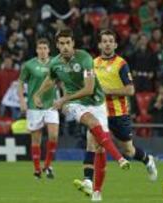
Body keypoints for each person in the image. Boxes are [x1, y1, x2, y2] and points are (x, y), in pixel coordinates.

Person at [33, 29, 130, 202]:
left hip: (96, 102)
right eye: (61, 43)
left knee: (98, 147)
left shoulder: (84, 58)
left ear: (73, 43)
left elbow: (89, 89)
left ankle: (97, 192)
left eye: (67, 43)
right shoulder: (55, 63)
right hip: (76, 104)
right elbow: (51, 79)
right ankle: (119, 158)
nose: (64, 47)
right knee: (91, 123)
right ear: (57, 45)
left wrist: (63, 98)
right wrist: (38, 94)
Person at [73, 29, 158, 197]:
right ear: (99, 44)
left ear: (115, 44)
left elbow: (130, 90)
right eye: (104, 41)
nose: (107, 44)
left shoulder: (121, 64)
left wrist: (107, 91)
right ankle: (91, 186)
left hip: (118, 113)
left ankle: (147, 159)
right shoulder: (91, 63)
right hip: (98, 111)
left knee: (128, 150)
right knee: (93, 145)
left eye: (110, 41)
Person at [18, 38, 59, 179]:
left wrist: (65, 99)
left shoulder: (55, 63)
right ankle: (37, 169)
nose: (42, 51)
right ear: (36, 50)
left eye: (45, 48)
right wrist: (22, 101)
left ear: (48, 50)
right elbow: (20, 83)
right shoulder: (29, 65)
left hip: (51, 105)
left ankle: (47, 165)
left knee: (53, 135)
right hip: (33, 106)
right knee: (36, 139)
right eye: (40, 48)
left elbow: (63, 81)